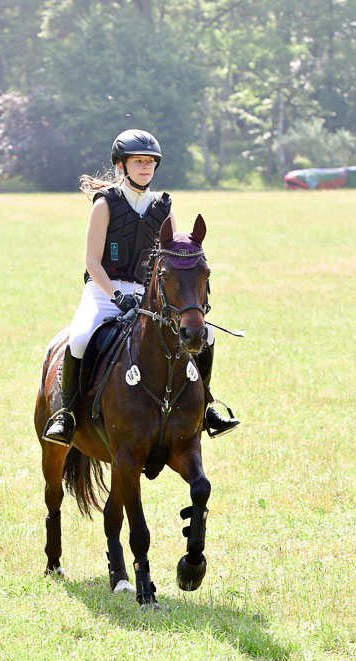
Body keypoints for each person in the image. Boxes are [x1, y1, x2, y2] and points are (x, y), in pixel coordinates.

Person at [42, 129, 239, 445]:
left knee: (208, 334)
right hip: (104, 292)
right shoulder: (105, 205)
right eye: (138, 162)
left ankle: (206, 407)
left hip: (149, 294)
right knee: (79, 339)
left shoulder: (163, 207)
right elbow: (92, 262)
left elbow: (172, 261)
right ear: (122, 166)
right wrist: (117, 297)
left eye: (150, 162)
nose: (145, 168)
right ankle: (67, 414)